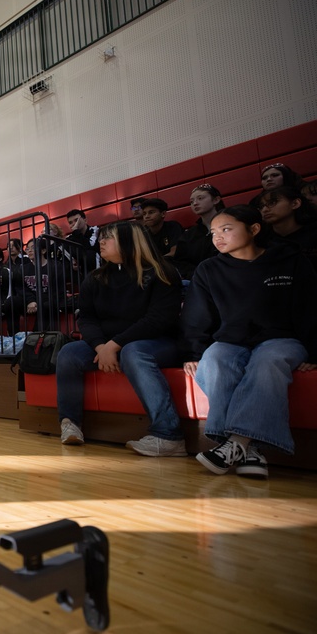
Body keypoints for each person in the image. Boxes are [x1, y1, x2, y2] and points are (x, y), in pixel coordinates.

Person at [183, 205, 317, 478]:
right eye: (213, 232)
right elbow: (196, 315)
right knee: (215, 360)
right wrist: (195, 352)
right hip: (232, 340)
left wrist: (315, 351)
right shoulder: (209, 269)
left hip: (281, 338)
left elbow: (311, 308)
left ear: (254, 229)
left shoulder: (291, 260)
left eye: (226, 229)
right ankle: (250, 450)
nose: (217, 237)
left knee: (268, 362)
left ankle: (235, 443)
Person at [55, 221, 187, 457]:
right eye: (102, 237)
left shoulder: (161, 271)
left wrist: (114, 346)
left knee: (133, 352)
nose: (101, 242)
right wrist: (100, 346)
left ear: (130, 242)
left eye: (109, 238)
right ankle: (70, 423)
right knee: (69, 353)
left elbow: (158, 320)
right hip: (107, 344)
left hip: (158, 342)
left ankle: (169, 436)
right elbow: (87, 319)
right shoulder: (96, 278)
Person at [253, 186, 317, 269]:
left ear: (295, 203)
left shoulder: (313, 233)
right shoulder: (261, 241)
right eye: (261, 206)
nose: (265, 210)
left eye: (272, 202)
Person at [170, 184, 223, 280]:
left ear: (216, 200)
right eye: (191, 201)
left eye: (200, 198)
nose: (195, 203)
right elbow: (181, 262)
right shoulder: (189, 235)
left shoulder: (232, 226)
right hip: (199, 280)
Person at [65, 209, 100, 274]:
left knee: (89, 254)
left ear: (85, 220)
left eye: (76, 220)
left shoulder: (95, 230)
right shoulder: (69, 239)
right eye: (70, 223)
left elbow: (90, 246)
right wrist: (71, 264)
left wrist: (76, 231)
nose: (74, 224)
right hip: (80, 273)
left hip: (97, 269)